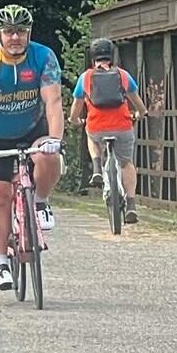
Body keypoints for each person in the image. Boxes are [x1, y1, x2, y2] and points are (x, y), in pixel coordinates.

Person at [0, 4, 63, 291]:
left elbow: (53, 103)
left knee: (48, 154)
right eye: (9, 32)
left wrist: (55, 138)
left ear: (29, 33)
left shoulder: (44, 57)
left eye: (21, 31)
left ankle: (41, 201)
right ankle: (0, 262)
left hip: (32, 129)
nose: (15, 38)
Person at [68, 37, 147, 223]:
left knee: (90, 134)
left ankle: (96, 167)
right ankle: (131, 204)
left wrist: (74, 120)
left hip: (97, 126)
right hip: (122, 126)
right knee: (126, 162)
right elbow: (137, 102)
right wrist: (141, 113)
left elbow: (76, 106)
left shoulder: (86, 77)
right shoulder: (123, 75)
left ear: (92, 57)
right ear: (111, 56)